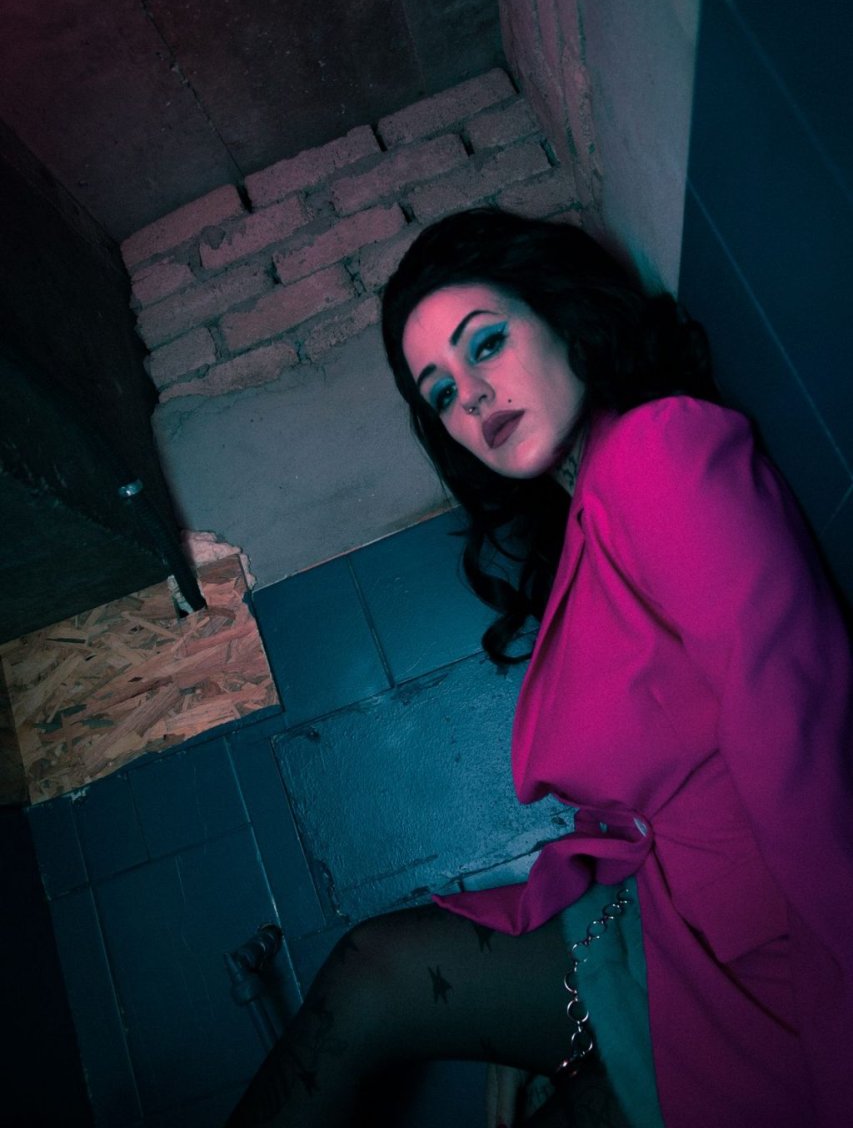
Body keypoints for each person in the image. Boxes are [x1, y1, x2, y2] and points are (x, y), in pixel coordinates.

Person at [226, 209, 852, 1127]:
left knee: (376, 971)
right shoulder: (589, 499)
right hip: (660, 920)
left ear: (562, 316)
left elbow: (802, 751)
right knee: (383, 973)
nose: (472, 397)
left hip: (759, 957)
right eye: (442, 393)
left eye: (486, 344)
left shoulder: (657, 451)